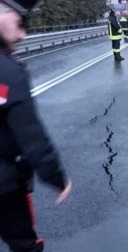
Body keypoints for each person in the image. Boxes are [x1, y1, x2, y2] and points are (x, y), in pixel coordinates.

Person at [0, 0, 72, 251]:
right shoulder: (8, 73)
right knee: (25, 245)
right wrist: (57, 178)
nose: (23, 34)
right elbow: (32, 137)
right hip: (6, 188)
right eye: (20, 22)